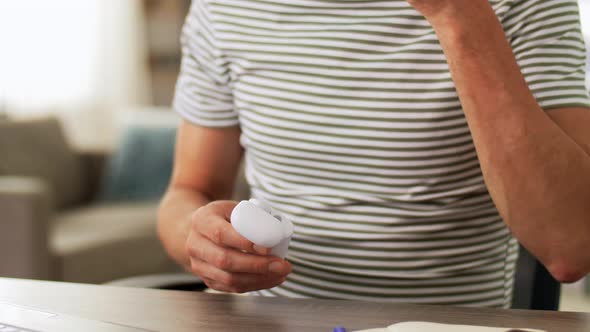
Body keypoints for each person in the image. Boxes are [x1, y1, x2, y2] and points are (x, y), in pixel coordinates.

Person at [157, 0, 590, 308]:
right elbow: (188, 191)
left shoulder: (529, 5)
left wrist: (459, 14)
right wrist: (199, 240)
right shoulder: (223, 9)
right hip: (270, 321)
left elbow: (572, 245)